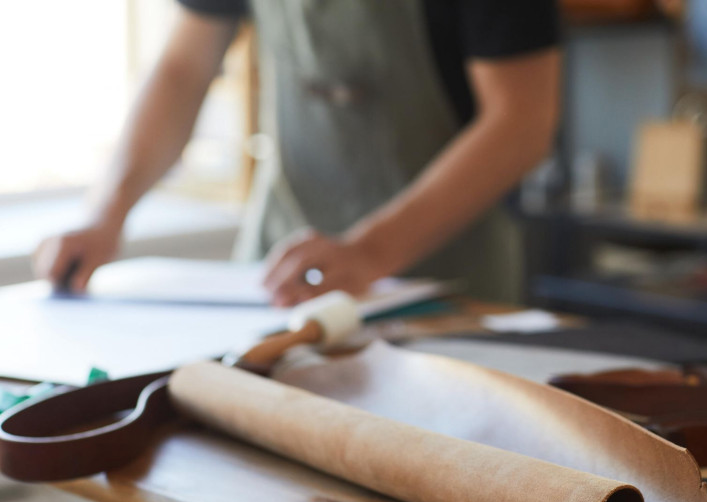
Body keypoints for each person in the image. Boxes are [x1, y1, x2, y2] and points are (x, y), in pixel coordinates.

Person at [33, 1, 561, 305]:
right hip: (275, 271)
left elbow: (520, 122)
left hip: (445, 282)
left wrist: (370, 253)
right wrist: (107, 213)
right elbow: (182, 70)